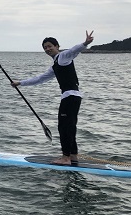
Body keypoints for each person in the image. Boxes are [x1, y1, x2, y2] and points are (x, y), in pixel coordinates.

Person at [11, 30, 94, 165]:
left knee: (64, 127)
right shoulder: (56, 65)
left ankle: (65, 158)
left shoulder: (63, 57)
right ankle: (73, 156)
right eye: (45, 47)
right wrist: (20, 83)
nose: (48, 49)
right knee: (69, 127)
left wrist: (85, 43)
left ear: (57, 46)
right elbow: (40, 79)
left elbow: (73, 50)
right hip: (72, 97)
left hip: (70, 97)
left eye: (50, 46)